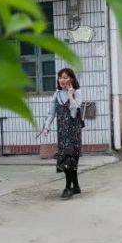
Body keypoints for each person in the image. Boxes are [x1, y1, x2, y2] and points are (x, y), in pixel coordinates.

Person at [40, 67, 83, 199]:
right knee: (65, 159)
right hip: (62, 132)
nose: (62, 80)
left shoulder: (77, 92)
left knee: (72, 158)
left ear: (71, 79)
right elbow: (51, 113)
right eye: (60, 77)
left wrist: (70, 94)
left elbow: (74, 113)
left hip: (73, 131)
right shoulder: (56, 94)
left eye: (65, 77)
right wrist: (46, 127)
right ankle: (73, 187)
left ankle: (68, 187)